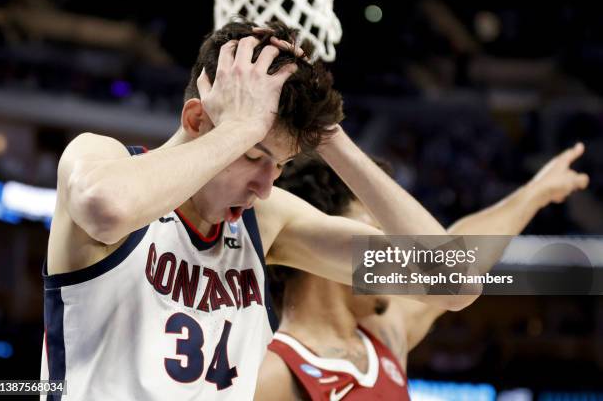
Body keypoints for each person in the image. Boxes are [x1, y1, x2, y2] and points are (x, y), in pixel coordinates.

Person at [40, 20, 466, 400]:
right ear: (196, 119)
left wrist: (332, 139)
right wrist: (240, 128)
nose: (265, 187)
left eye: (280, 165)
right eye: (253, 156)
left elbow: (452, 283)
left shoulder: (266, 221)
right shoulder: (102, 158)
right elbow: (107, 210)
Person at [254, 144, 589, 400]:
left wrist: (536, 193)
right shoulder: (272, 375)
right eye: (380, 232)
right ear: (330, 239)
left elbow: (464, 255)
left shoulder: (383, 337)